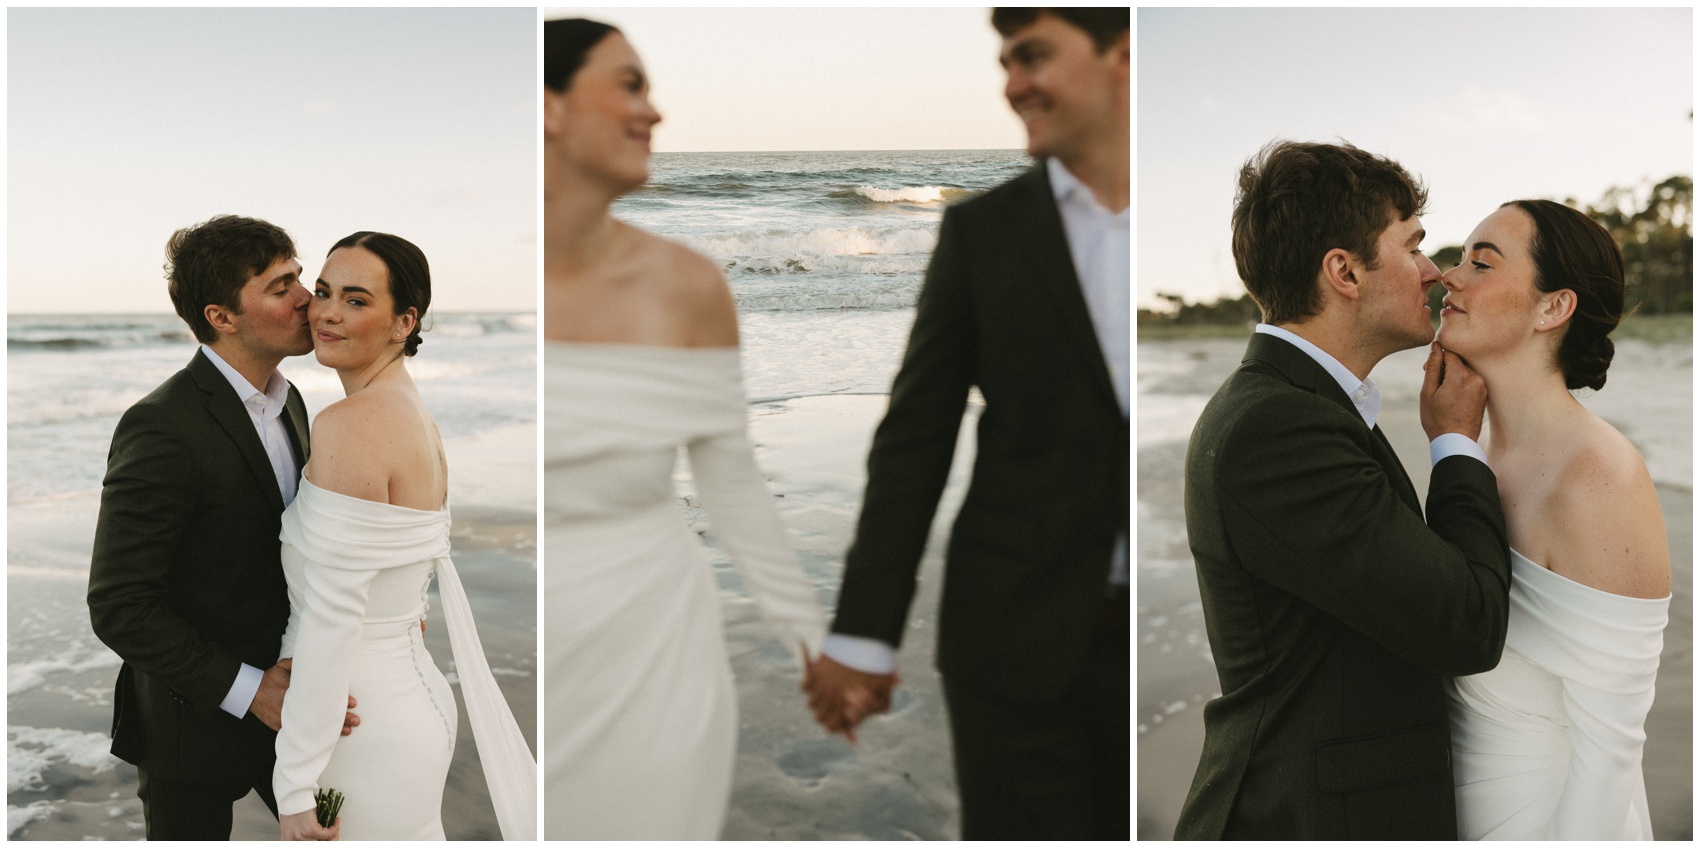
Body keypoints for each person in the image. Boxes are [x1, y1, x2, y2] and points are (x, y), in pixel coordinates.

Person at [805, 8, 1130, 840]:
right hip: (1013, 638)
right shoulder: (982, 233)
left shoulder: (1196, 217)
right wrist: (865, 635)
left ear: (1122, 56)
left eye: (1033, 57)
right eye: (1005, 61)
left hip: (1162, 627)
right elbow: (916, 439)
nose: (1012, 83)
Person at [1174, 140, 1512, 839]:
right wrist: (1454, 442)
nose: (1433, 272)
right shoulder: (1280, 427)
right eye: (1412, 246)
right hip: (1306, 817)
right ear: (1344, 271)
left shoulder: (1300, 404)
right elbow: (1466, 623)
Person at [542, 18, 826, 839]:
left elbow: (731, 480)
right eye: (629, 85)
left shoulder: (688, 285)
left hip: (658, 639)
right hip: (550, 641)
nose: (654, 113)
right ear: (550, 106)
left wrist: (810, 638)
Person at [87, 215, 355, 840]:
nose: (307, 299)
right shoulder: (161, 426)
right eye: (280, 285)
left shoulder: (291, 402)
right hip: (192, 722)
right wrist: (252, 690)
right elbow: (119, 604)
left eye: (299, 277)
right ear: (222, 316)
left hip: (299, 702)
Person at [272, 232, 535, 840]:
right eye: (325, 291)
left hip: (360, 724)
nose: (329, 312)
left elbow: (333, 621)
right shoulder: (413, 414)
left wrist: (294, 785)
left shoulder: (351, 424)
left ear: (403, 322)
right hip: (411, 696)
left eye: (358, 300)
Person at [1438, 200, 1669, 839]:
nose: (1449, 277)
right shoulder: (1477, 457)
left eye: (1481, 262)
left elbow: (1610, 753)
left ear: (1552, 308)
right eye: (1458, 258)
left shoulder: (1599, 476)